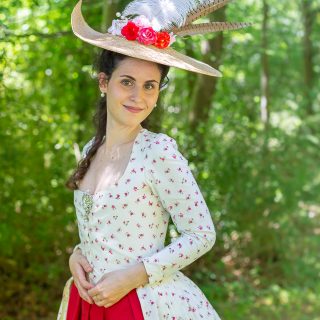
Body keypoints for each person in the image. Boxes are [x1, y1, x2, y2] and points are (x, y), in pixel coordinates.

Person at [57, 1, 251, 319]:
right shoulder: (93, 146)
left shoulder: (157, 152)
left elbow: (201, 234)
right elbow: (100, 228)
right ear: (104, 82)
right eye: (127, 82)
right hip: (87, 302)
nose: (138, 97)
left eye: (150, 86)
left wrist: (133, 276)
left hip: (138, 304)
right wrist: (77, 254)